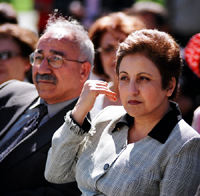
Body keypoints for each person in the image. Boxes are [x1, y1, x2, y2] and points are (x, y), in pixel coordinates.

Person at [45, 29, 200, 195]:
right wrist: (80, 110)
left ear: (169, 86)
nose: (131, 90)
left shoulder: (185, 143)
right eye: (124, 78)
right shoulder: (107, 117)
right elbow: (56, 173)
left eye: (144, 78)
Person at [0, 13, 94, 196]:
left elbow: (60, 193)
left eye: (55, 59)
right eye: (38, 57)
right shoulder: (9, 92)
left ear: (83, 71)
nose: (42, 68)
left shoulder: (85, 133)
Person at [88, 12, 145, 118]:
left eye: (123, 47)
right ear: (98, 56)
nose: (116, 55)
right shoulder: (91, 101)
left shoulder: (150, 98)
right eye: (108, 49)